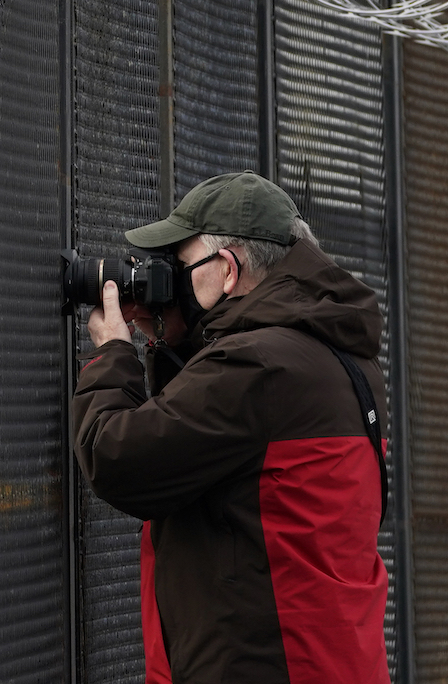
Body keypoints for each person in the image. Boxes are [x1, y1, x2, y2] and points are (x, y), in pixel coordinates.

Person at [70, 171, 390, 684]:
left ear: (227, 269)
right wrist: (171, 333)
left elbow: (118, 458)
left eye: (178, 266)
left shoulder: (259, 364)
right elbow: (219, 448)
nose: (168, 282)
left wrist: (113, 353)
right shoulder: (337, 355)